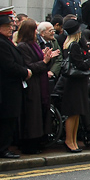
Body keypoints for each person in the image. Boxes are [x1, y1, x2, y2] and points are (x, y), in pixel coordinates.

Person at [0, 8, 29, 159]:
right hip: (7, 87)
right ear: (0, 27)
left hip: (12, 87)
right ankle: (1, 148)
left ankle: (3, 147)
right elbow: (9, 65)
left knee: (10, 118)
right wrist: (25, 72)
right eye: (8, 26)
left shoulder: (4, 41)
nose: (11, 28)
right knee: (5, 119)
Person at [17, 19, 58, 155]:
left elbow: (41, 63)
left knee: (40, 113)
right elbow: (29, 66)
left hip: (40, 84)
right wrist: (44, 61)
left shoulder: (33, 45)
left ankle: (39, 140)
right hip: (32, 85)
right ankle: (29, 144)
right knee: (32, 116)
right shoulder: (23, 46)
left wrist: (47, 58)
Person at [60, 18, 90, 153]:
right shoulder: (73, 45)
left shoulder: (70, 44)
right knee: (72, 113)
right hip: (74, 82)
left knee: (77, 113)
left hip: (77, 82)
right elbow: (79, 64)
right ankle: (69, 140)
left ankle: (73, 140)